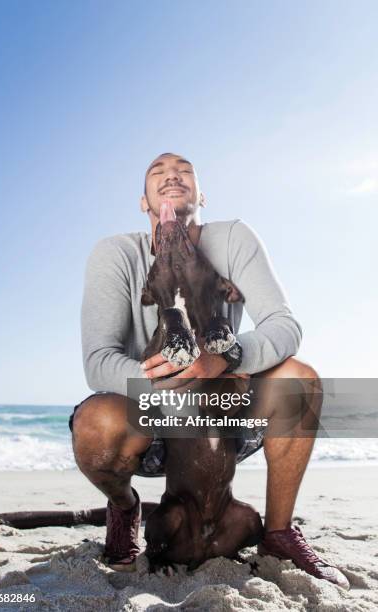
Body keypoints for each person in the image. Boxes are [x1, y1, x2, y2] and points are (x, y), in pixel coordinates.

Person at [69, 153, 349, 589]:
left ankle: (278, 532)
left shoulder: (234, 238)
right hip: (155, 419)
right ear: (144, 202)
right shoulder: (115, 254)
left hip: (221, 412)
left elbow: (284, 326)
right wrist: (172, 386)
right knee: (96, 424)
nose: (171, 176)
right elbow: (98, 361)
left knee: (300, 377)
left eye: (183, 170)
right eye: (156, 173)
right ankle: (124, 509)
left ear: (201, 194)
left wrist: (228, 357)